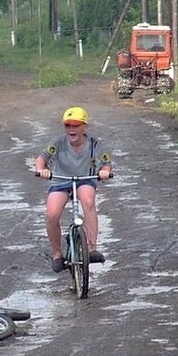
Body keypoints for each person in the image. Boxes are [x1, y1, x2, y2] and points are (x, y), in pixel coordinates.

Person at [34, 106, 113, 273]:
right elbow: (41, 159)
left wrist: (105, 171)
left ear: (85, 126)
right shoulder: (57, 143)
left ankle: (91, 248)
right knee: (52, 213)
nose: (71, 129)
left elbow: (105, 162)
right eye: (68, 125)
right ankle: (57, 254)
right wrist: (41, 169)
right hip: (60, 181)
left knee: (88, 200)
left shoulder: (94, 144)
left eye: (76, 125)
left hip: (85, 179)